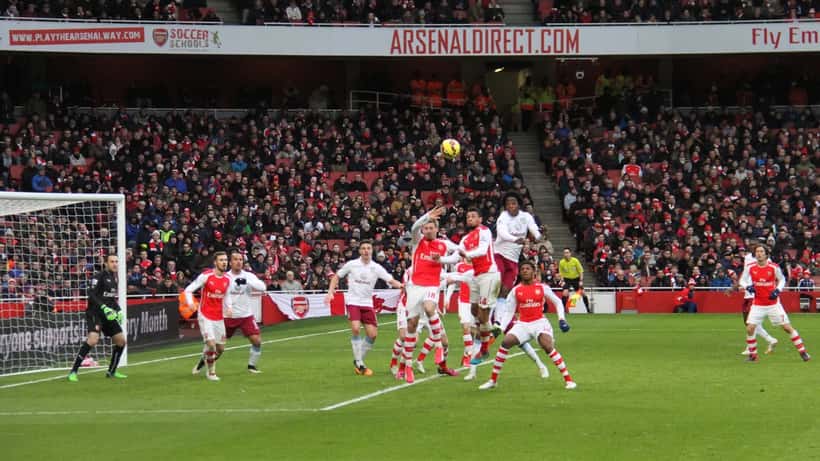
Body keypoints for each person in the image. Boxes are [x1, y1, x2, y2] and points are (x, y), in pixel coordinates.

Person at [478, 261, 577, 390]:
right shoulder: (516, 290)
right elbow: (509, 311)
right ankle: (493, 380)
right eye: (523, 269)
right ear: (520, 272)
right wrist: (501, 327)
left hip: (539, 322)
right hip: (523, 324)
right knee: (506, 342)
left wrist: (561, 319)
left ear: (533, 272)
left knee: (547, 346)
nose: (525, 271)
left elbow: (558, 302)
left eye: (528, 268)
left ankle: (569, 380)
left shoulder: (542, 287)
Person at [400, 206, 460, 384]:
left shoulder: (443, 244)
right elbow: (413, 228)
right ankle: (408, 365)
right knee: (411, 325)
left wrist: (441, 260)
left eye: (430, 227)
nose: (427, 230)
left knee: (429, 307)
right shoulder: (418, 242)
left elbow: (457, 254)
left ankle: (439, 348)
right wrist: (427, 215)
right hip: (415, 286)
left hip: (432, 285)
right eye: (425, 227)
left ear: (436, 229)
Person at [326, 240, 403, 376]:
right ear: (360, 251)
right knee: (355, 328)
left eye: (368, 248)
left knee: (372, 335)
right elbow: (336, 277)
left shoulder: (376, 267)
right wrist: (330, 293)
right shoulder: (352, 264)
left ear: (372, 251)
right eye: (363, 248)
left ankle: (358, 360)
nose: (366, 250)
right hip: (353, 301)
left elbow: (391, 280)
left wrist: (403, 286)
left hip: (367, 303)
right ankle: (360, 363)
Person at [193, 250, 267, 374]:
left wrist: (247, 281)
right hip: (227, 316)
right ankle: (203, 361)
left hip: (245, 315)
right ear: (230, 262)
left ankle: (251, 366)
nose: (238, 262)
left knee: (257, 341)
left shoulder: (249, 276)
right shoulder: (224, 276)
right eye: (235, 259)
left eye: (241, 260)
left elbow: (263, 287)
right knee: (218, 348)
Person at [739, 245, 810, 363]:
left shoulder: (773, 267)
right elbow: (742, 280)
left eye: (761, 251)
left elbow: (782, 279)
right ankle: (753, 355)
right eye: (757, 251)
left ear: (766, 254)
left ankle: (803, 352)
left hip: (773, 304)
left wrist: (777, 290)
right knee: (750, 328)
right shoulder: (750, 267)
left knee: (787, 328)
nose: (759, 254)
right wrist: (748, 286)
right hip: (758, 304)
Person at [67, 254, 127, 382]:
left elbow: (110, 299)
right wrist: (104, 307)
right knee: (93, 340)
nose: (115, 264)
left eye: (116, 261)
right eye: (112, 261)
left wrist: (119, 310)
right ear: (106, 263)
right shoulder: (98, 277)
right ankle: (73, 371)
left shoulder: (114, 278)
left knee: (121, 341)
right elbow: (91, 295)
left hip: (107, 315)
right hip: (95, 313)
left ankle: (111, 371)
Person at [458, 207, 502, 365]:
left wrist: (467, 255)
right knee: (474, 310)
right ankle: (487, 333)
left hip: (489, 274)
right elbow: (457, 255)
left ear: (480, 219)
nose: (469, 218)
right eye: (468, 216)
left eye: (473, 216)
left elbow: (483, 250)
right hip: (477, 275)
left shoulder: (484, 231)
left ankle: (484, 348)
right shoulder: (465, 239)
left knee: (483, 316)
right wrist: (440, 260)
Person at [493, 192, 542, 333]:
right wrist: (515, 239)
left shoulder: (526, 217)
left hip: (513, 260)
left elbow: (534, 229)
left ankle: (497, 321)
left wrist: (539, 236)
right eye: (508, 204)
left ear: (518, 204)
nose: (511, 206)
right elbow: (502, 233)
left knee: (505, 290)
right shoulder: (503, 217)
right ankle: (486, 315)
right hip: (499, 255)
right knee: (495, 285)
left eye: (513, 203)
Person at [185, 252, 231, 381]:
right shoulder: (206, 276)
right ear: (215, 262)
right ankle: (211, 373)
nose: (224, 262)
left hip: (219, 317)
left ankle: (202, 360)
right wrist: (191, 304)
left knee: (220, 349)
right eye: (221, 260)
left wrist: (229, 307)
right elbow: (188, 290)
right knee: (211, 345)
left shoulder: (228, 279)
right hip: (205, 315)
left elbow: (227, 295)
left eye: (226, 260)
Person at [740, 249, 778, 355]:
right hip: (747, 293)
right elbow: (744, 276)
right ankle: (770, 340)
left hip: (756, 294)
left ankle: (751, 347)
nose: (758, 253)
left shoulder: (767, 261)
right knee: (748, 322)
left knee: (750, 322)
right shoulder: (747, 258)